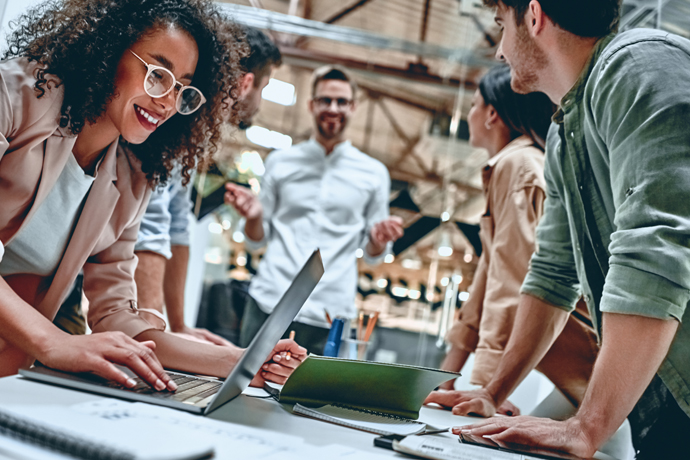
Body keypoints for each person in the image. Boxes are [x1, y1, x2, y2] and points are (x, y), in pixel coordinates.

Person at [0, 0, 304, 391]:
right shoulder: (14, 97)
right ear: (107, 50)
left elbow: (116, 315)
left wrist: (243, 361)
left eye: (182, 88)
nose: (166, 101)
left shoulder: (131, 177)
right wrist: (54, 342)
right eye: (157, 74)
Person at [438, 1, 690, 458]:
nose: (499, 52)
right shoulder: (562, 133)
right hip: (663, 399)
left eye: (501, 26)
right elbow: (552, 273)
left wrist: (586, 427)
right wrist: (493, 392)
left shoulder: (639, 65)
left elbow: (656, 248)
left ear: (533, 17)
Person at [431, 65, 597, 418]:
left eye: (474, 104)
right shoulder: (512, 166)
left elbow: (513, 279)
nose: (470, 114)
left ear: (492, 113)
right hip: (573, 368)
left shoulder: (518, 166)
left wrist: (488, 389)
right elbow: (485, 282)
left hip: (587, 361)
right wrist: (445, 378)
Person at [225, 66, 404, 353]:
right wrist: (255, 217)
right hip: (270, 302)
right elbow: (256, 238)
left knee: (315, 398)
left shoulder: (374, 173)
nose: (333, 108)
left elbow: (374, 256)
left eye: (342, 101)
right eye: (325, 100)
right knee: (248, 390)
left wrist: (378, 240)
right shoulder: (281, 162)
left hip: (330, 313)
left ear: (354, 107)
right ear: (311, 105)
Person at [133, 26, 282, 345]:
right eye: (264, 87)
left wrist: (178, 326)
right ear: (246, 83)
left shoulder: (196, 133)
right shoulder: (176, 118)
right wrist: (155, 336)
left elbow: (176, 225)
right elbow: (152, 224)